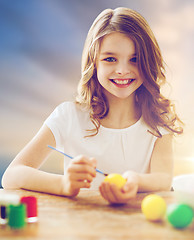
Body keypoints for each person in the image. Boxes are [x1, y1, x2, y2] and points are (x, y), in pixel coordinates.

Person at [2, 7, 183, 204]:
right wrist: (64, 184)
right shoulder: (68, 116)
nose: (122, 70)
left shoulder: (158, 121)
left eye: (135, 59)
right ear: (93, 62)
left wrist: (135, 181)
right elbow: (11, 175)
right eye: (110, 59)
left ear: (149, 62)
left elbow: (163, 180)